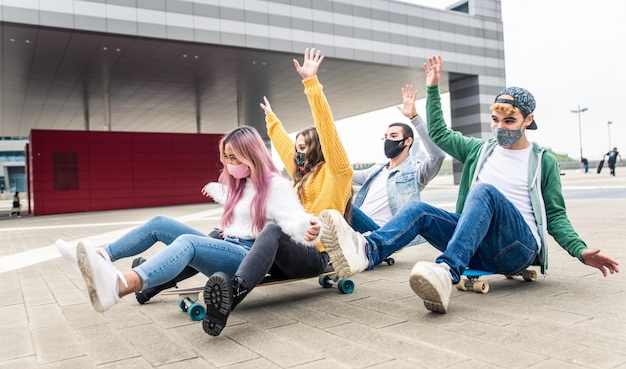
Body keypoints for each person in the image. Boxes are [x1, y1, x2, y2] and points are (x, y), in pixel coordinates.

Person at [319, 55, 619, 314]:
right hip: (476, 246)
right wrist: (433, 88)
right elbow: (439, 132)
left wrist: (579, 250)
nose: (500, 128)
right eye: (495, 121)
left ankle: (446, 272)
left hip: (518, 249)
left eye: (510, 121)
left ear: (528, 120)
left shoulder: (543, 161)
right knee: (419, 210)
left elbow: (555, 215)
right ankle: (368, 251)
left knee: (485, 191)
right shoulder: (479, 150)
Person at [56, 125, 321, 313]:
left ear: (252, 155)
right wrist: (223, 202)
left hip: (247, 258)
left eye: (234, 158)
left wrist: (307, 229)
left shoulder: (275, 185)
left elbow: (292, 220)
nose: (228, 163)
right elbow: (238, 207)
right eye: (226, 157)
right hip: (231, 245)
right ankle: (100, 257)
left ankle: (119, 285)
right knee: (159, 222)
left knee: (188, 243)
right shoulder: (240, 184)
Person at [202, 47, 354, 336]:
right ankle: (158, 280)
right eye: (296, 148)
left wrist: (311, 85)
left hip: (315, 254)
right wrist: (272, 121)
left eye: (303, 148)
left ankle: (231, 295)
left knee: (272, 230)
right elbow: (284, 148)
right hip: (286, 256)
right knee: (216, 235)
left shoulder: (338, 172)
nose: (296, 154)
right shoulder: (300, 176)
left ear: (318, 149)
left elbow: (328, 131)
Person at [351, 84, 445, 242]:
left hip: (384, 233)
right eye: (386, 136)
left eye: (393, 136)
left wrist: (414, 117)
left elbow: (438, 156)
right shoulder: (375, 171)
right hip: (357, 228)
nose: (388, 140)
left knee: (342, 209)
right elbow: (342, 174)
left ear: (408, 141)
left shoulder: (416, 172)